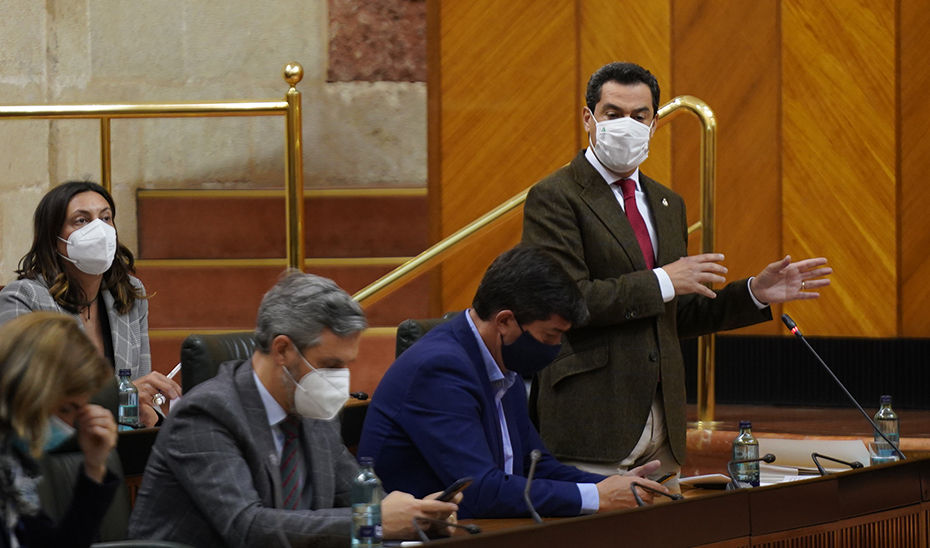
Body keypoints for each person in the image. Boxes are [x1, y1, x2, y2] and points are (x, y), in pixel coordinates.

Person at [521, 62, 833, 486]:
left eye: (640, 115)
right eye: (613, 114)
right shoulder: (554, 197)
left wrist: (755, 294)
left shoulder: (668, 204)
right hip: (591, 424)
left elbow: (675, 313)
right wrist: (664, 280)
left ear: (654, 123)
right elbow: (566, 302)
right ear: (588, 118)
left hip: (662, 428)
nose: (626, 125)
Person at [128, 271, 458, 548]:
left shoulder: (314, 412)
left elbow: (358, 495)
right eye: (330, 364)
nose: (339, 380)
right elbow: (248, 527)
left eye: (345, 365)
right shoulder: (206, 413)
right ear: (283, 349)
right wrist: (372, 521)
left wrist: (419, 517)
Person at [358, 245, 667, 519]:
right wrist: (597, 498)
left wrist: (617, 486)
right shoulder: (439, 369)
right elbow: (479, 491)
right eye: (549, 335)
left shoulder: (502, 365)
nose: (556, 346)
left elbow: (538, 466)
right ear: (505, 321)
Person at [0, 181, 180, 427]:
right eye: (81, 220)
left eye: (105, 218)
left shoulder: (128, 293)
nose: (99, 229)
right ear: (53, 238)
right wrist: (119, 398)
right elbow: (22, 395)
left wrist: (151, 414)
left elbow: (138, 391)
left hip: (118, 441)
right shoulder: (23, 297)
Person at [0, 312, 119, 548]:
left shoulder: (12, 466)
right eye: (67, 408)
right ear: (28, 391)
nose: (71, 424)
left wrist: (94, 468)